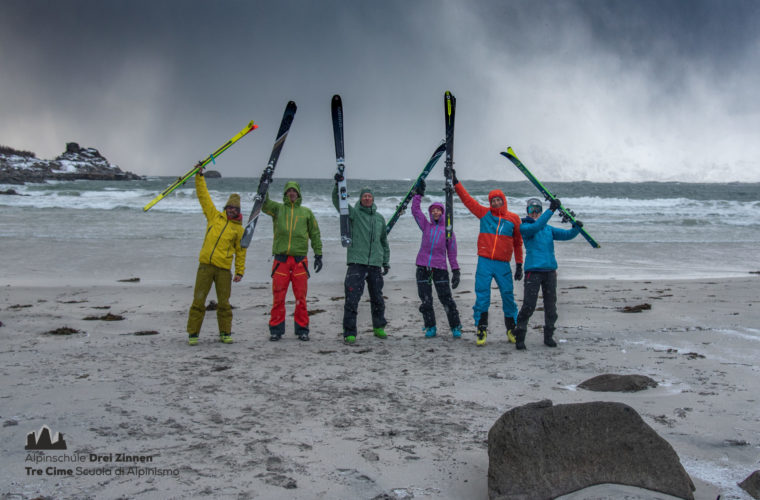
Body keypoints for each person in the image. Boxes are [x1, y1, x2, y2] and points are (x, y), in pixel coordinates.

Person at [452, 168, 524, 346]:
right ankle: (481, 328)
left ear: (504, 201)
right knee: (482, 296)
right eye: (493, 200)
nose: (496, 202)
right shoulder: (484, 214)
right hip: (484, 262)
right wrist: (455, 182)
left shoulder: (514, 219)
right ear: (490, 202)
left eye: (499, 199)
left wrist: (519, 264)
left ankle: (511, 328)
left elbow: (518, 243)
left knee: (508, 296)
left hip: (503, 264)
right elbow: (468, 201)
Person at [186, 169, 247, 345]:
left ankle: (225, 333)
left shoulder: (238, 230)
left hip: (224, 270)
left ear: (238, 211)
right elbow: (203, 197)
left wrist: (240, 272)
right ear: (225, 207)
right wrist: (199, 177)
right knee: (198, 301)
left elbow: (241, 252)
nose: (231, 210)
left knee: (224, 303)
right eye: (229, 207)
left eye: (235, 209)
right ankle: (193, 334)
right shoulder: (214, 217)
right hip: (205, 266)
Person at [513, 197, 581, 349]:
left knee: (551, 306)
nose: (535, 212)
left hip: (550, 272)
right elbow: (535, 227)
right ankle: (520, 335)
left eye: (538, 210)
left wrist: (576, 228)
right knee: (529, 305)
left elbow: (566, 235)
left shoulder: (548, 229)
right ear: (528, 212)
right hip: (533, 272)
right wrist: (551, 210)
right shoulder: (524, 227)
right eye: (532, 210)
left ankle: (549, 336)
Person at [262, 180, 323, 341]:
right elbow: (263, 203)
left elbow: (315, 234)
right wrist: (264, 185)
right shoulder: (278, 209)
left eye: (294, 191)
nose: (291, 193)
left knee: (301, 298)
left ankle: (302, 330)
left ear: (298, 194)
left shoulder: (306, 212)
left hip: (300, 262)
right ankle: (276, 330)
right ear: (285, 194)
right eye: (288, 191)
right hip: (281, 261)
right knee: (278, 297)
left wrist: (318, 254)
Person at [332, 173, 390, 344]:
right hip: (357, 262)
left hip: (375, 264)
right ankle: (349, 332)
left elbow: (383, 241)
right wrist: (338, 185)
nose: (367, 198)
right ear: (360, 198)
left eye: (369, 196)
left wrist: (385, 261)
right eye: (364, 196)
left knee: (378, 298)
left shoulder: (379, 218)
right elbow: (338, 202)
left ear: (373, 199)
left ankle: (378, 327)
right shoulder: (354, 214)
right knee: (352, 299)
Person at [411, 179, 463, 338]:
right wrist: (418, 194)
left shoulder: (448, 231)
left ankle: (455, 326)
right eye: (433, 210)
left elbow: (452, 253)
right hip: (422, 267)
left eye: (438, 210)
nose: (435, 212)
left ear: (442, 213)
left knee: (446, 299)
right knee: (426, 300)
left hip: (440, 269)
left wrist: (455, 270)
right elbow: (415, 211)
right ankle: (430, 327)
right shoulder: (426, 226)